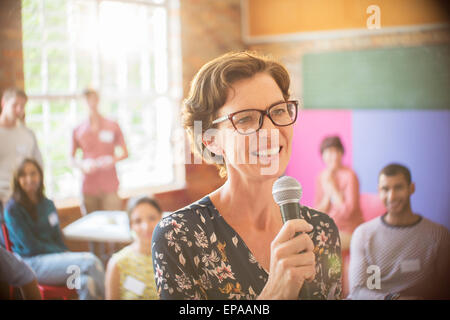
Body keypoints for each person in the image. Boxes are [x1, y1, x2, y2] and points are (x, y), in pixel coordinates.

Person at [152, 52, 342, 300]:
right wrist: (275, 293)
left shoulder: (321, 230)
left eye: (279, 111)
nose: (271, 131)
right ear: (211, 141)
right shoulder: (178, 237)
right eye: (245, 119)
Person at [3, 158, 105, 300]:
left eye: (33, 174)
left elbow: (58, 238)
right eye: (24, 175)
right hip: (32, 265)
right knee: (91, 261)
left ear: (40, 176)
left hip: (57, 265)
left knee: (87, 282)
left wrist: (64, 254)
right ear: (17, 179)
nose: (29, 179)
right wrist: (62, 255)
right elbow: (30, 247)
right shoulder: (12, 209)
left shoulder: (48, 204)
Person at [348, 163, 450, 300]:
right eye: (385, 189)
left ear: (411, 188)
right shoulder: (363, 235)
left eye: (398, 187)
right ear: (379, 191)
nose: (391, 197)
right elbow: (356, 292)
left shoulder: (439, 235)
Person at [71, 88, 128, 215]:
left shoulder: (112, 125)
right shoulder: (77, 129)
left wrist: (112, 160)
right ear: (83, 102)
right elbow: (71, 158)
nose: (91, 103)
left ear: (98, 100)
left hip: (110, 184)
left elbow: (125, 153)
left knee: (113, 221)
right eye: (87, 100)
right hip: (88, 186)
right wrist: (83, 165)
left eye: (93, 99)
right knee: (90, 226)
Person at [105, 196, 162, 300]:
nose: (146, 226)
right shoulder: (117, 264)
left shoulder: (175, 256)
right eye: (138, 221)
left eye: (152, 218)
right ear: (131, 225)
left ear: (161, 218)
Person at [314, 136, 364, 251]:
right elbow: (317, 213)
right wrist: (328, 193)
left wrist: (333, 188)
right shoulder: (322, 177)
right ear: (323, 156)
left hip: (349, 230)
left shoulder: (350, 176)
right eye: (330, 152)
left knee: (321, 245)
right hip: (327, 228)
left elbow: (348, 212)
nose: (335, 156)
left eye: (338, 151)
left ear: (342, 153)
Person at [0, 88, 43, 207]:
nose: (19, 109)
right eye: (15, 105)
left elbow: (38, 165)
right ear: (3, 103)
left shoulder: (28, 134)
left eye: (22, 106)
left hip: (25, 198)